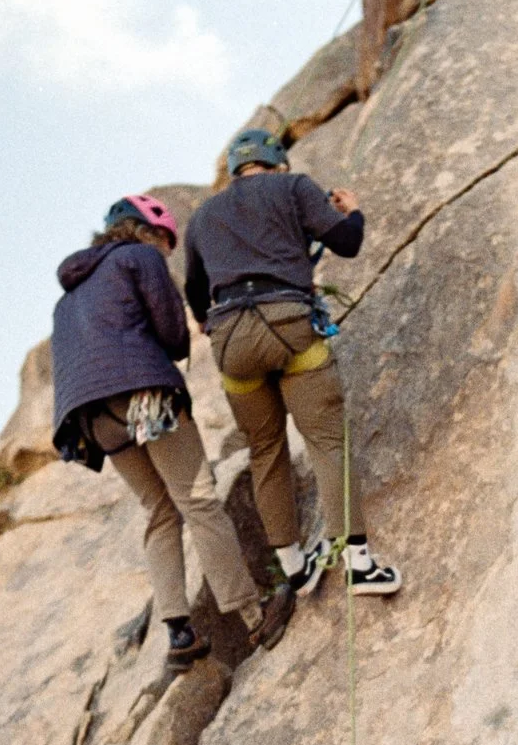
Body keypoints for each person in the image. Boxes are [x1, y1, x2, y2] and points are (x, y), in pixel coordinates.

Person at [54, 193, 292, 667]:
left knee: (160, 511)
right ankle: (253, 614)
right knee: (198, 499)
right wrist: (186, 336)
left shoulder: (69, 297)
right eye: (166, 242)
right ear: (150, 231)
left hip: (90, 418)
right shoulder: (139, 257)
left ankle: (179, 633)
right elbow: (170, 329)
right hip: (145, 395)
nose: (165, 251)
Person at [182, 127, 402, 599]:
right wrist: (353, 211)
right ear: (275, 163)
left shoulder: (202, 217)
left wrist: (212, 320)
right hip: (287, 323)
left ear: (236, 168)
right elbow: (345, 242)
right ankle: (358, 565)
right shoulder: (294, 186)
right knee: (325, 438)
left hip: (231, 345)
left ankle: (294, 567)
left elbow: (195, 295)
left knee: (265, 450)